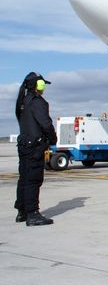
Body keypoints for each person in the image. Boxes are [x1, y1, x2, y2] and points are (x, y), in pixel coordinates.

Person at [14, 72, 57, 226]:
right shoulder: (38, 102)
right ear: (37, 85)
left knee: (24, 178)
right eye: (42, 84)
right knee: (33, 180)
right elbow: (45, 124)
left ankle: (22, 212)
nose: (44, 87)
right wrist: (53, 138)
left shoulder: (23, 101)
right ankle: (33, 214)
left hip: (24, 145)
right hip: (35, 147)